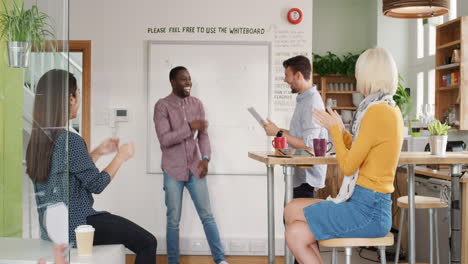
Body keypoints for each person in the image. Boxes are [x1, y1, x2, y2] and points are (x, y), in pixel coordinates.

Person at [283, 47, 404, 263]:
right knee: (295, 232)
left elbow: (348, 166)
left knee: (292, 211)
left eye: (359, 72)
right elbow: (360, 153)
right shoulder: (387, 108)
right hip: (366, 204)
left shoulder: (377, 112)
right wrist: (341, 130)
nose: (357, 77)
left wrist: (335, 130)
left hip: (368, 211)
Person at [26, 69, 157, 264]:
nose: (79, 98)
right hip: (78, 226)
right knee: (148, 242)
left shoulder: (38, 141)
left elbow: (69, 172)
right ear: (70, 99)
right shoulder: (71, 141)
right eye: (78, 92)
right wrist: (121, 157)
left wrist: (98, 152)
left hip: (51, 229)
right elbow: (96, 184)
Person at [153, 66, 229, 264]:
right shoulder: (162, 106)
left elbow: (203, 135)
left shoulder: (197, 104)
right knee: (173, 220)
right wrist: (189, 127)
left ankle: (220, 259)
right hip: (172, 169)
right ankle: (173, 262)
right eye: (183, 79)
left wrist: (205, 158)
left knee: (207, 216)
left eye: (189, 79)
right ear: (172, 82)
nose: (188, 83)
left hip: (195, 168)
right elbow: (165, 139)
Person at [262, 55, 328, 199]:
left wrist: (278, 132)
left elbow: (308, 145)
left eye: (287, 75)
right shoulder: (304, 99)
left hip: (307, 178)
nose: (285, 80)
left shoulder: (312, 102)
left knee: (293, 219)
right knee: (289, 217)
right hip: (300, 175)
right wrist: (276, 129)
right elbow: (299, 135)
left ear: (298, 75)